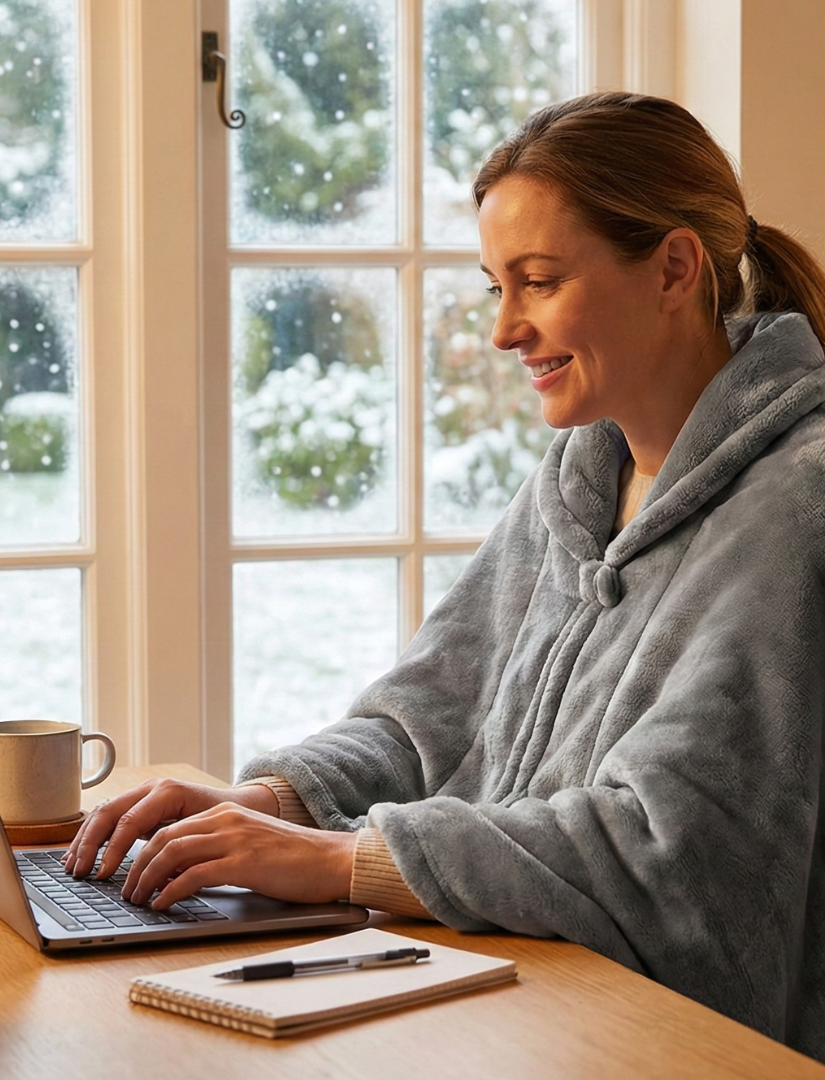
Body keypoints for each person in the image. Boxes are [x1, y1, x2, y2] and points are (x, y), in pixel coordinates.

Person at [64, 93, 825, 1062]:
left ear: (674, 268)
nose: (505, 330)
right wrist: (277, 804)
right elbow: (423, 717)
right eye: (495, 287)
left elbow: (664, 851)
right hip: (508, 995)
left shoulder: (797, 507)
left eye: (538, 283)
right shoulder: (580, 476)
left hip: (662, 1044)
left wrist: (344, 862)